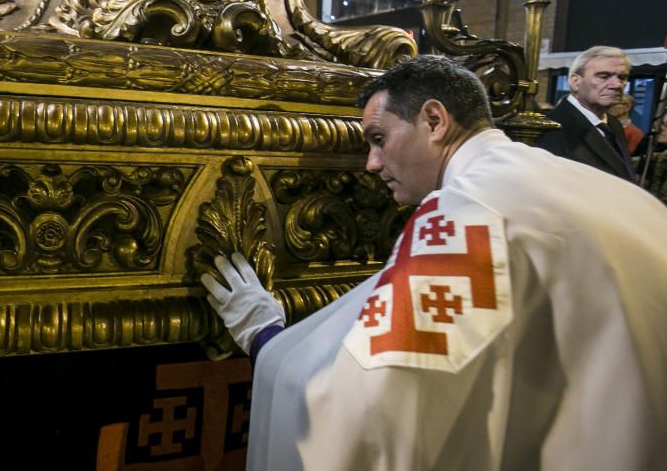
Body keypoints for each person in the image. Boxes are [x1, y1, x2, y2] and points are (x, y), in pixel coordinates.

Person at [201, 56, 667, 471]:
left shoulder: (466, 212)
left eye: (379, 139)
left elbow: (363, 405)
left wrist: (265, 339)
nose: (371, 163)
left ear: (434, 119)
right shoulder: (608, 190)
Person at [536, 45, 636, 180]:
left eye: (622, 77)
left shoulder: (613, 124)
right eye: (604, 76)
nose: (617, 85)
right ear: (575, 81)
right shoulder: (551, 127)